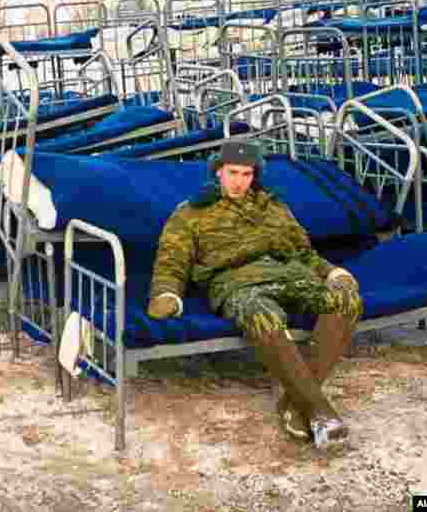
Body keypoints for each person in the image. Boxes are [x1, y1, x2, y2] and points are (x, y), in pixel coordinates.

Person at [147, 142, 363, 449]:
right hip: (235, 282)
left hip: (288, 274)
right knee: (264, 318)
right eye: (232, 173)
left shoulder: (273, 206)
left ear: (254, 175)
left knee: (347, 301)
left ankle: (294, 402)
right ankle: (320, 413)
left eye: (246, 174)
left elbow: (304, 253)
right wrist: (166, 293)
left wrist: (331, 272)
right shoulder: (191, 212)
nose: (238, 181)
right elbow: (171, 261)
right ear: (218, 172)